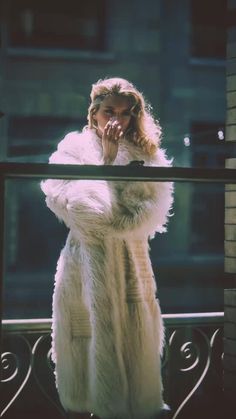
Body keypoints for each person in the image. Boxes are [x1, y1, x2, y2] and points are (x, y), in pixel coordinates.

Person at [41, 77, 174, 419]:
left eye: (126, 113)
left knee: (134, 350)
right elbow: (82, 211)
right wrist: (107, 162)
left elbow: (146, 213)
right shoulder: (71, 150)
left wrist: (115, 204)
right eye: (109, 111)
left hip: (133, 262)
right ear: (94, 113)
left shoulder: (147, 153)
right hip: (85, 263)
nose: (117, 119)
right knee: (90, 355)